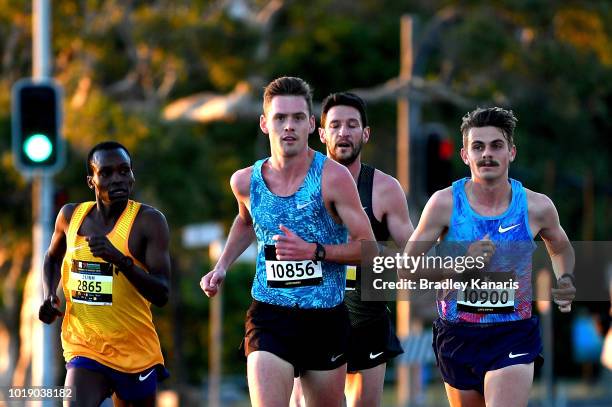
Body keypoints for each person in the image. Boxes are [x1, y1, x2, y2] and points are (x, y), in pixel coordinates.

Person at [200, 76, 375, 407]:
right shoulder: (244, 181)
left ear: (311, 124)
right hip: (269, 315)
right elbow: (245, 220)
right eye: (280, 118)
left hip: (324, 317)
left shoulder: (333, 178)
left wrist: (315, 251)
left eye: (297, 118)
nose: (289, 126)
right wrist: (221, 266)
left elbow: (367, 248)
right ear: (265, 123)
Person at [402, 107, 576, 407]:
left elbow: (560, 247)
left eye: (496, 146)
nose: (487, 154)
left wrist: (566, 277)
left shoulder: (536, 207)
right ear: (464, 155)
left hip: (512, 333)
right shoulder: (444, 204)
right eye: (478, 147)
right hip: (457, 335)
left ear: (511, 152)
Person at [39, 141, 171, 407]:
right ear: (91, 180)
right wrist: (49, 295)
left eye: (124, 171)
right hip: (85, 348)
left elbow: (162, 293)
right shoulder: (70, 217)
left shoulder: (148, 222)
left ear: (132, 175)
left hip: (135, 351)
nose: (118, 179)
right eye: (107, 172)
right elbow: (52, 258)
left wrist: (120, 260)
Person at [318, 92, 414, 407]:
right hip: (312, 315)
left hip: (366, 319)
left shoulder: (385, 189)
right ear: (322, 134)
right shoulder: (301, 187)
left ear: (365, 133)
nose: (343, 132)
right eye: (335, 125)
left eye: (352, 125)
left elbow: (413, 252)